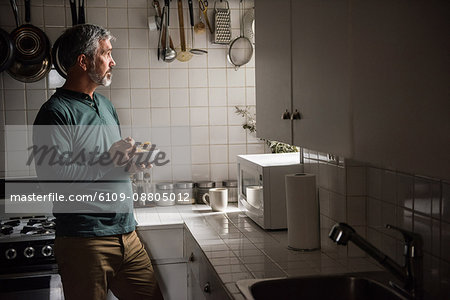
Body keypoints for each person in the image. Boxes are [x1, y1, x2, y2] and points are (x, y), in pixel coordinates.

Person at [33, 24, 163, 300]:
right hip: (85, 241)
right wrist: (109, 158)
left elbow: (109, 166)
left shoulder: (106, 106)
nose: (113, 61)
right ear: (84, 61)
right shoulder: (55, 113)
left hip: (127, 233)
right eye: (106, 54)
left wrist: (132, 163)